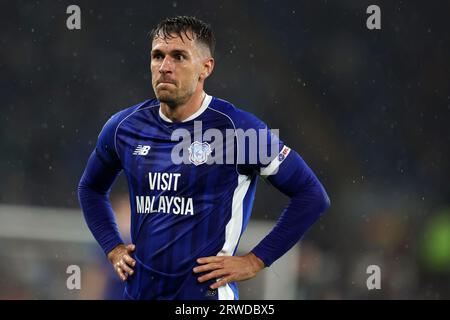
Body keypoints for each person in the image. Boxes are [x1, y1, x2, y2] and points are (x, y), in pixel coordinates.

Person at [78, 15, 330, 300]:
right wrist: (112, 246)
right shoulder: (124, 127)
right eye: (157, 56)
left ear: (205, 68)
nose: (164, 67)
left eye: (179, 57)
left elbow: (311, 195)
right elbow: (90, 188)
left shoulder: (238, 130)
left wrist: (256, 260)